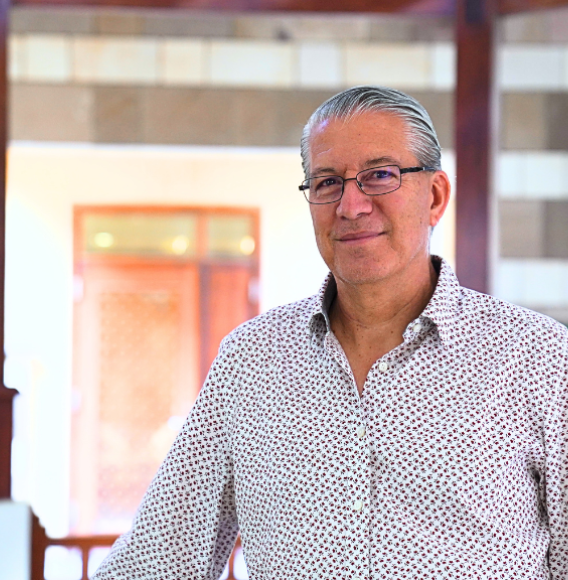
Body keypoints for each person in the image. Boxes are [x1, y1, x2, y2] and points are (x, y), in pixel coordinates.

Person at [93, 86, 568, 580]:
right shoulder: (251, 362)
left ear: (435, 196)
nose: (351, 204)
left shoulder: (538, 357)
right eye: (326, 182)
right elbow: (159, 558)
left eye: (380, 175)